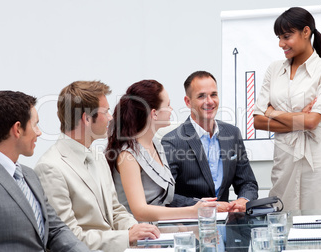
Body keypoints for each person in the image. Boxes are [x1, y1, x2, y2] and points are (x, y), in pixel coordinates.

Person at [34, 81, 160, 252]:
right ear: (86, 118)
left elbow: (115, 210)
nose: (110, 117)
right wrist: (126, 237)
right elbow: (68, 238)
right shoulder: (50, 167)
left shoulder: (97, 156)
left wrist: (135, 229)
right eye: (106, 111)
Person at [0, 91, 92, 251]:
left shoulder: (29, 175)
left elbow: (56, 230)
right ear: (17, 129)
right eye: (35, 124)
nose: (39, 132)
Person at [253, 7, 321, 210]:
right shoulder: (274, 69)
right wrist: (301, 118)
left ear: (306, 32)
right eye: (279, 37)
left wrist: (273, 113)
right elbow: (257, 121)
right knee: (282, 229)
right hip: (284, 162)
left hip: (317, 163)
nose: (281, 44)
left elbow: (312, 122)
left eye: (286, 36)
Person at [106, 80, 216, 222]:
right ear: (154, 114)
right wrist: (192, 211)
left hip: (159, 229)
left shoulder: (156, 144)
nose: (171, 109)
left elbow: (165, 200)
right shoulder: (127, 155)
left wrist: (199, 204)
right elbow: (140, 211)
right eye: (168, 105)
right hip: (138, 233)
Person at [161, 71, 259, 212]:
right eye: (201, 96)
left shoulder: (232, 134)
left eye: (213, 95)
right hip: (190, 224)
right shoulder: (172, 142)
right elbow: (166, 195)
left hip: (227, 221)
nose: (210, 101)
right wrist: (207, 206)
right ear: (188, 102)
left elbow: (248, 183)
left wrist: (243, 200)